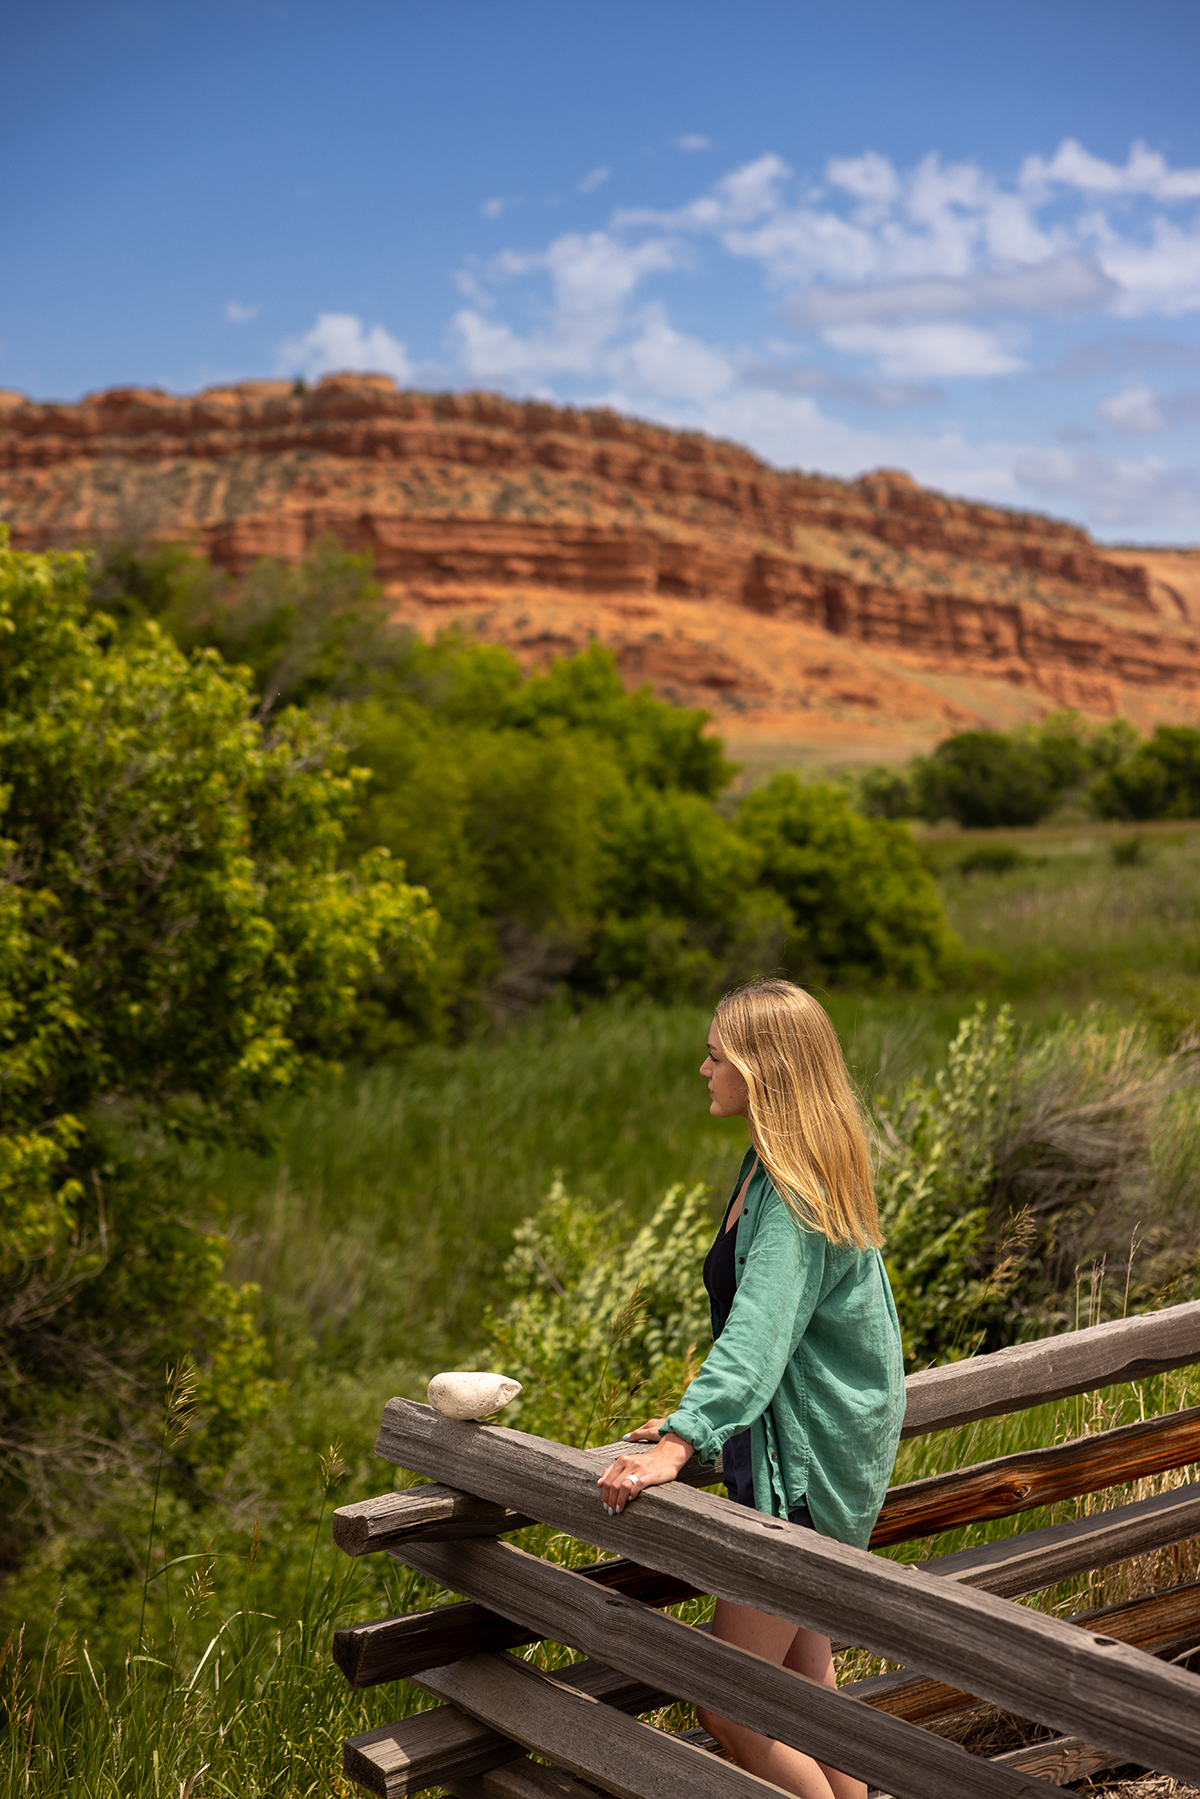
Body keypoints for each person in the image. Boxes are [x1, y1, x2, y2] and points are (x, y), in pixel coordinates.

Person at [598, 978, 905, 1799]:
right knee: (809, 1701)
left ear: (761, 1069)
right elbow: (773, 1334)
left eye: (716, 1053)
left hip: (803, 1472)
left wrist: (681, 1441)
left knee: (730, 1708)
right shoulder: (772, 1171)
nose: (702, 1067)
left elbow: (760, 1333)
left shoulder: (794, 1199)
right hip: (795, 1445)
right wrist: (701, 1415)